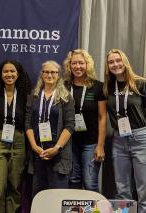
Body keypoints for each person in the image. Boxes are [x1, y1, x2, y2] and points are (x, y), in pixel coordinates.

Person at [103, 49, 146, 212]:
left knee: (143, 187)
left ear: (125, 62)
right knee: (122, 186)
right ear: (108, 66)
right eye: (111, 62)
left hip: (141, 138)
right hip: (119, 140)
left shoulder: (141, 83)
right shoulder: (107, 87)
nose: (115, 65)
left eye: (118, 60)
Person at [0, 60, 32, 213]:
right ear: (1, 74)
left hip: (19, 139)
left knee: (15, 185)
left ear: (18, 74)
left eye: (12, 71)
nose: (9, 74)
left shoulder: (26, 94)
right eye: (5, 71)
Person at [25, 60, 75, 197]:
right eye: (46, 72)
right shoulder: (34, 95)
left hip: (59, 154)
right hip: (38, 153)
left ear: (58, 75)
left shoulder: (66, 97)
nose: (49, 75)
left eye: (53, 72)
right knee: (38, 196)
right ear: (42, 74)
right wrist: (34, 146)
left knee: (57, 197)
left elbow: (70, 126)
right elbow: (28, 123)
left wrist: (57, 148)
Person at [64, 49, 107, 192]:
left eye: (81, 63)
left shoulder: (98, 87)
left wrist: (100, 146)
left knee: (90, 184)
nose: (77, 67)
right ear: (69, 66)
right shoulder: (64, 87)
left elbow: (102, 117)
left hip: (91, 144)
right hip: (69, 144)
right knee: (73, 181)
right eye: (74, 63)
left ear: (87, 64)